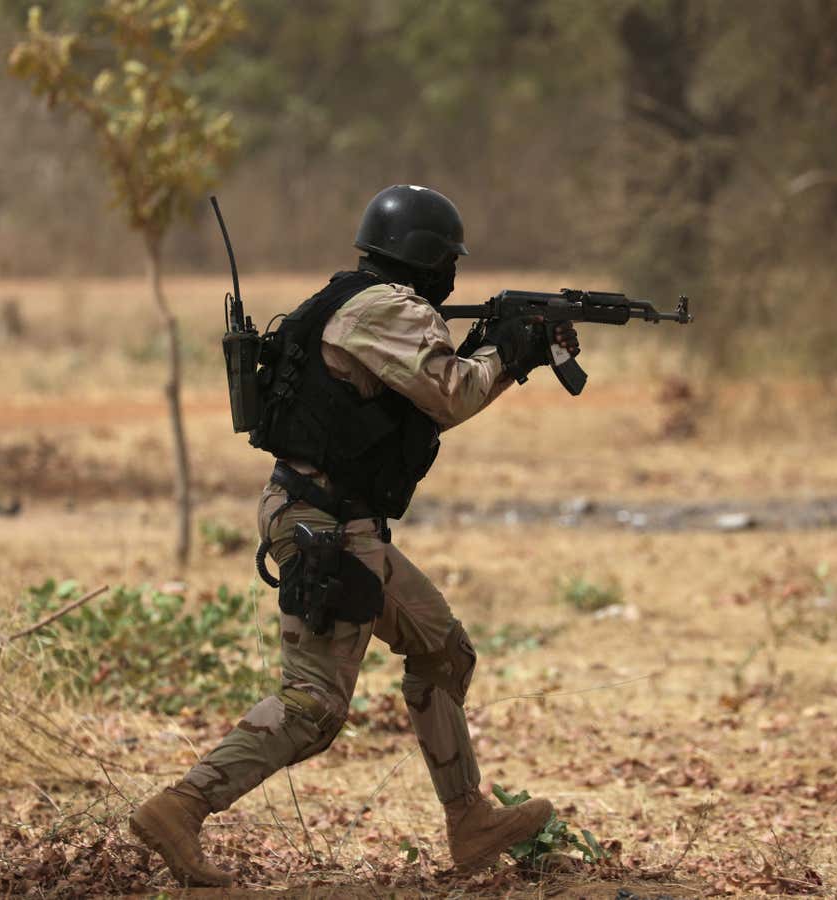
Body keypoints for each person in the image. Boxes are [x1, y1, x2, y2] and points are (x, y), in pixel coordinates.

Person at [129, 184, 579, 886]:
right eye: (448, 263)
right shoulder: (385, 309)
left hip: (346, 525)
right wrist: (505, 355)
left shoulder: (359, 301)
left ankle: (470, 821)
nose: (451, 276)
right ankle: (181, 807)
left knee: (441, 651)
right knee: (313, 704)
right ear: (431, 261)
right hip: (323, 528)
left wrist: (498, 345)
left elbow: (425, 382)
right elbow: (452, 392)